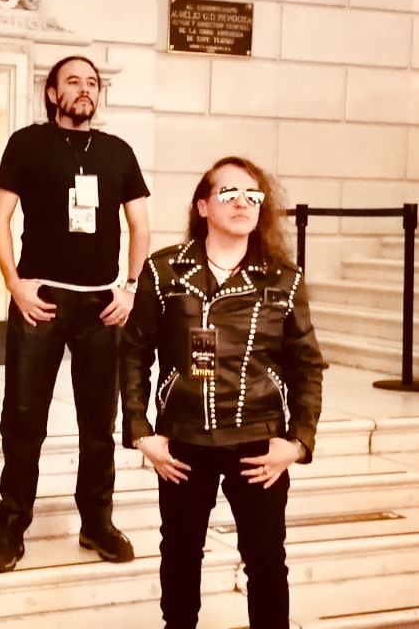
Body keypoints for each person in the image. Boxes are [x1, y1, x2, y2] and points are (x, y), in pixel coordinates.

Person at [117, 156, 326, 629]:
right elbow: (133, 353)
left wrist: (298, 441)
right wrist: (140, 430)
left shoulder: (283, 279)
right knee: (180, 553)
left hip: (258, 442)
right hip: (184, 439)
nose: (242, 203)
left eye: (253, 195)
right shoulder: (164, 271)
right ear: (203, 206)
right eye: (229, 193)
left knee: (266, 558)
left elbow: (307, 364)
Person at [0, 55, 150, 573]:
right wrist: (14, 282)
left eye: (92, 83)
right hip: (42, 301)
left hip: (102, 305)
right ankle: (11, 528)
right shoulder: (27, 144)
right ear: (53, 93)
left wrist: (130, 287)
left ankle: (97, 523)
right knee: (23, 418)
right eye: (73, 81)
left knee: (99, 423)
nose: (85, 90)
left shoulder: (117, 151)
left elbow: (141, 226)